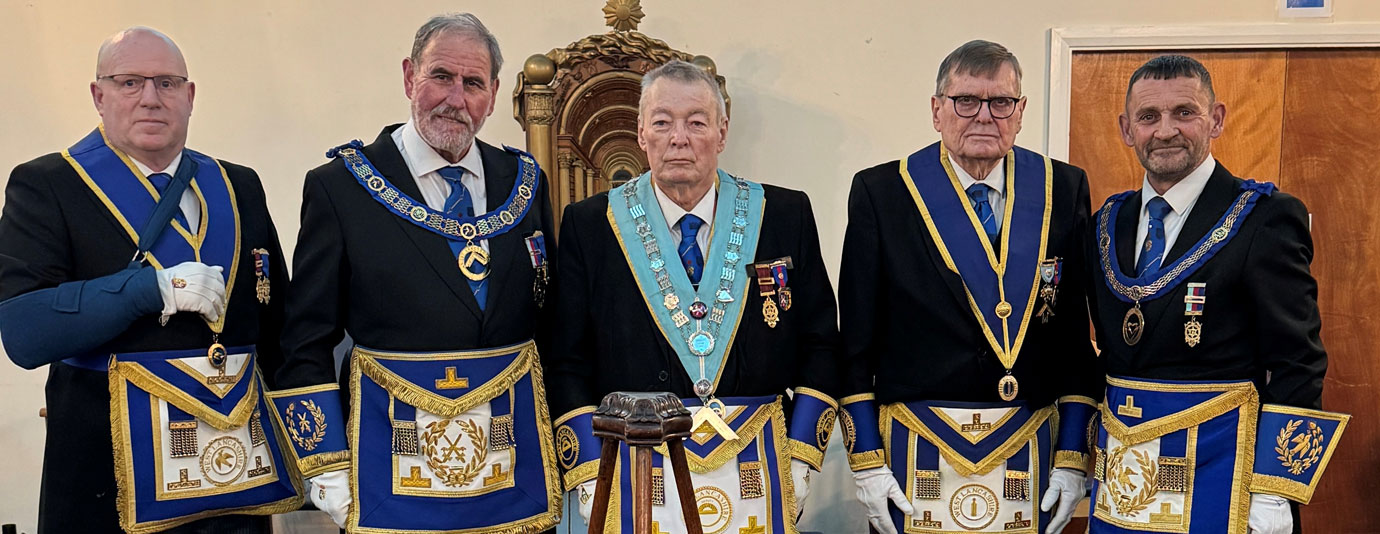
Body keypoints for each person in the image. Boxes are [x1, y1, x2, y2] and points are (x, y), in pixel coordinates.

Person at [266, 12, 561, 533]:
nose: (456, 98)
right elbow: (305, 340)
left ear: (492, 95)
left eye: (473, 83)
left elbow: (551, 325)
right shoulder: (342, 187)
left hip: (512, 467)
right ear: (409, 78)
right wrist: (326, 463)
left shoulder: (524, 180)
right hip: (390, 463)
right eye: (440, 77)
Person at [0, 27, 297, 533]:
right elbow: (25, 332)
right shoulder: (48, 185)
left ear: (190, 96)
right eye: (128, 83)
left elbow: (278, 330)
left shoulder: (238, 184)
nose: (150, 99)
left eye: (166, 83)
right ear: (99, 95)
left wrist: (315, 449)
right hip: (107, 482)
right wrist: (147, 290)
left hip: (232, 475)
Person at [545, 59, 841, 533]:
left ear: (722, 133)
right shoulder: (591, 225)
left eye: (696, 122)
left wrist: (802, 454)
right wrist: (587, 472)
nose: (678, 137)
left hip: (759, 467)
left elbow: (821, 344)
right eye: (662, 122)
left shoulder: (784, 213)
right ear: (641, 133)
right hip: (634, 468)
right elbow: (565, 360)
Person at [837, 40, 1101, 534]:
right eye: (966, 101)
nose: (984, 116)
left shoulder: (1062, 189)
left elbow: (1073, 336)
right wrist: (867, 459)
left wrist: (1071, 453)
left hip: (1030, 447)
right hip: (916, 449)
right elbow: (856, 342)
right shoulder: (882, 193)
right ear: (937, 110)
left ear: (1020, 112)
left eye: (1000, 102)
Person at [1084, 54, 1348, 534]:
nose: (1165, 131)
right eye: (1149, 117)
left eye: (1184, 112)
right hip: (1125, 483)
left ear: (1217, 119)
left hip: (1225, 482)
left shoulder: (1265, 217)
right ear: (1127, 129)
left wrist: (1275, 489)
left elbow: (1297, 360)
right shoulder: (1107, 222)